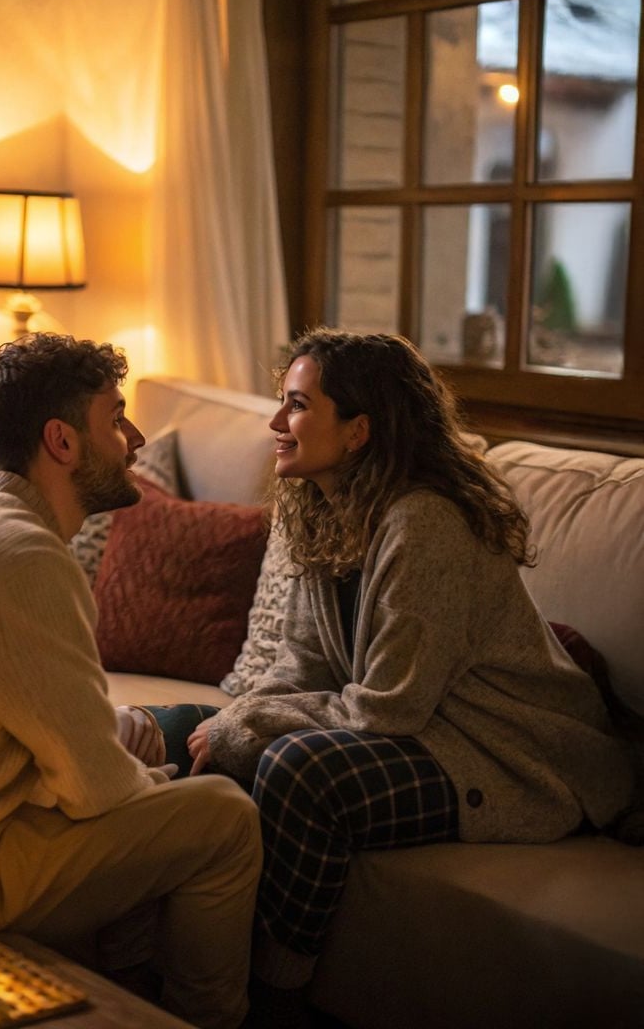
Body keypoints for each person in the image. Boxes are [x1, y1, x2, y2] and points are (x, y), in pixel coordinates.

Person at [185, 327, 634, 1028]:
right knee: (186, 728)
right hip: (424, 730)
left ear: (359, 429)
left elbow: (390, 707)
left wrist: (249, 724)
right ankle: (173, 963)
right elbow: (300, 667)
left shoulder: (424, 522)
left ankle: (273, 1001)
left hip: (507, 754)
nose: (276, 423)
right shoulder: (321, 510)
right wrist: (232, 720)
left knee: (300, 769)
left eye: (298, 405)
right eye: (282, 402)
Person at [0, 333, 262, 1029]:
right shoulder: (25, 559)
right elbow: (96, 789)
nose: (136, 437)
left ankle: (124, 989)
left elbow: (41, 735)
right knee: (223, 817)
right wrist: (155, 773)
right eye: (116, 418)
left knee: (151, 781)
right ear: (62, 442)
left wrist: (126, 750)